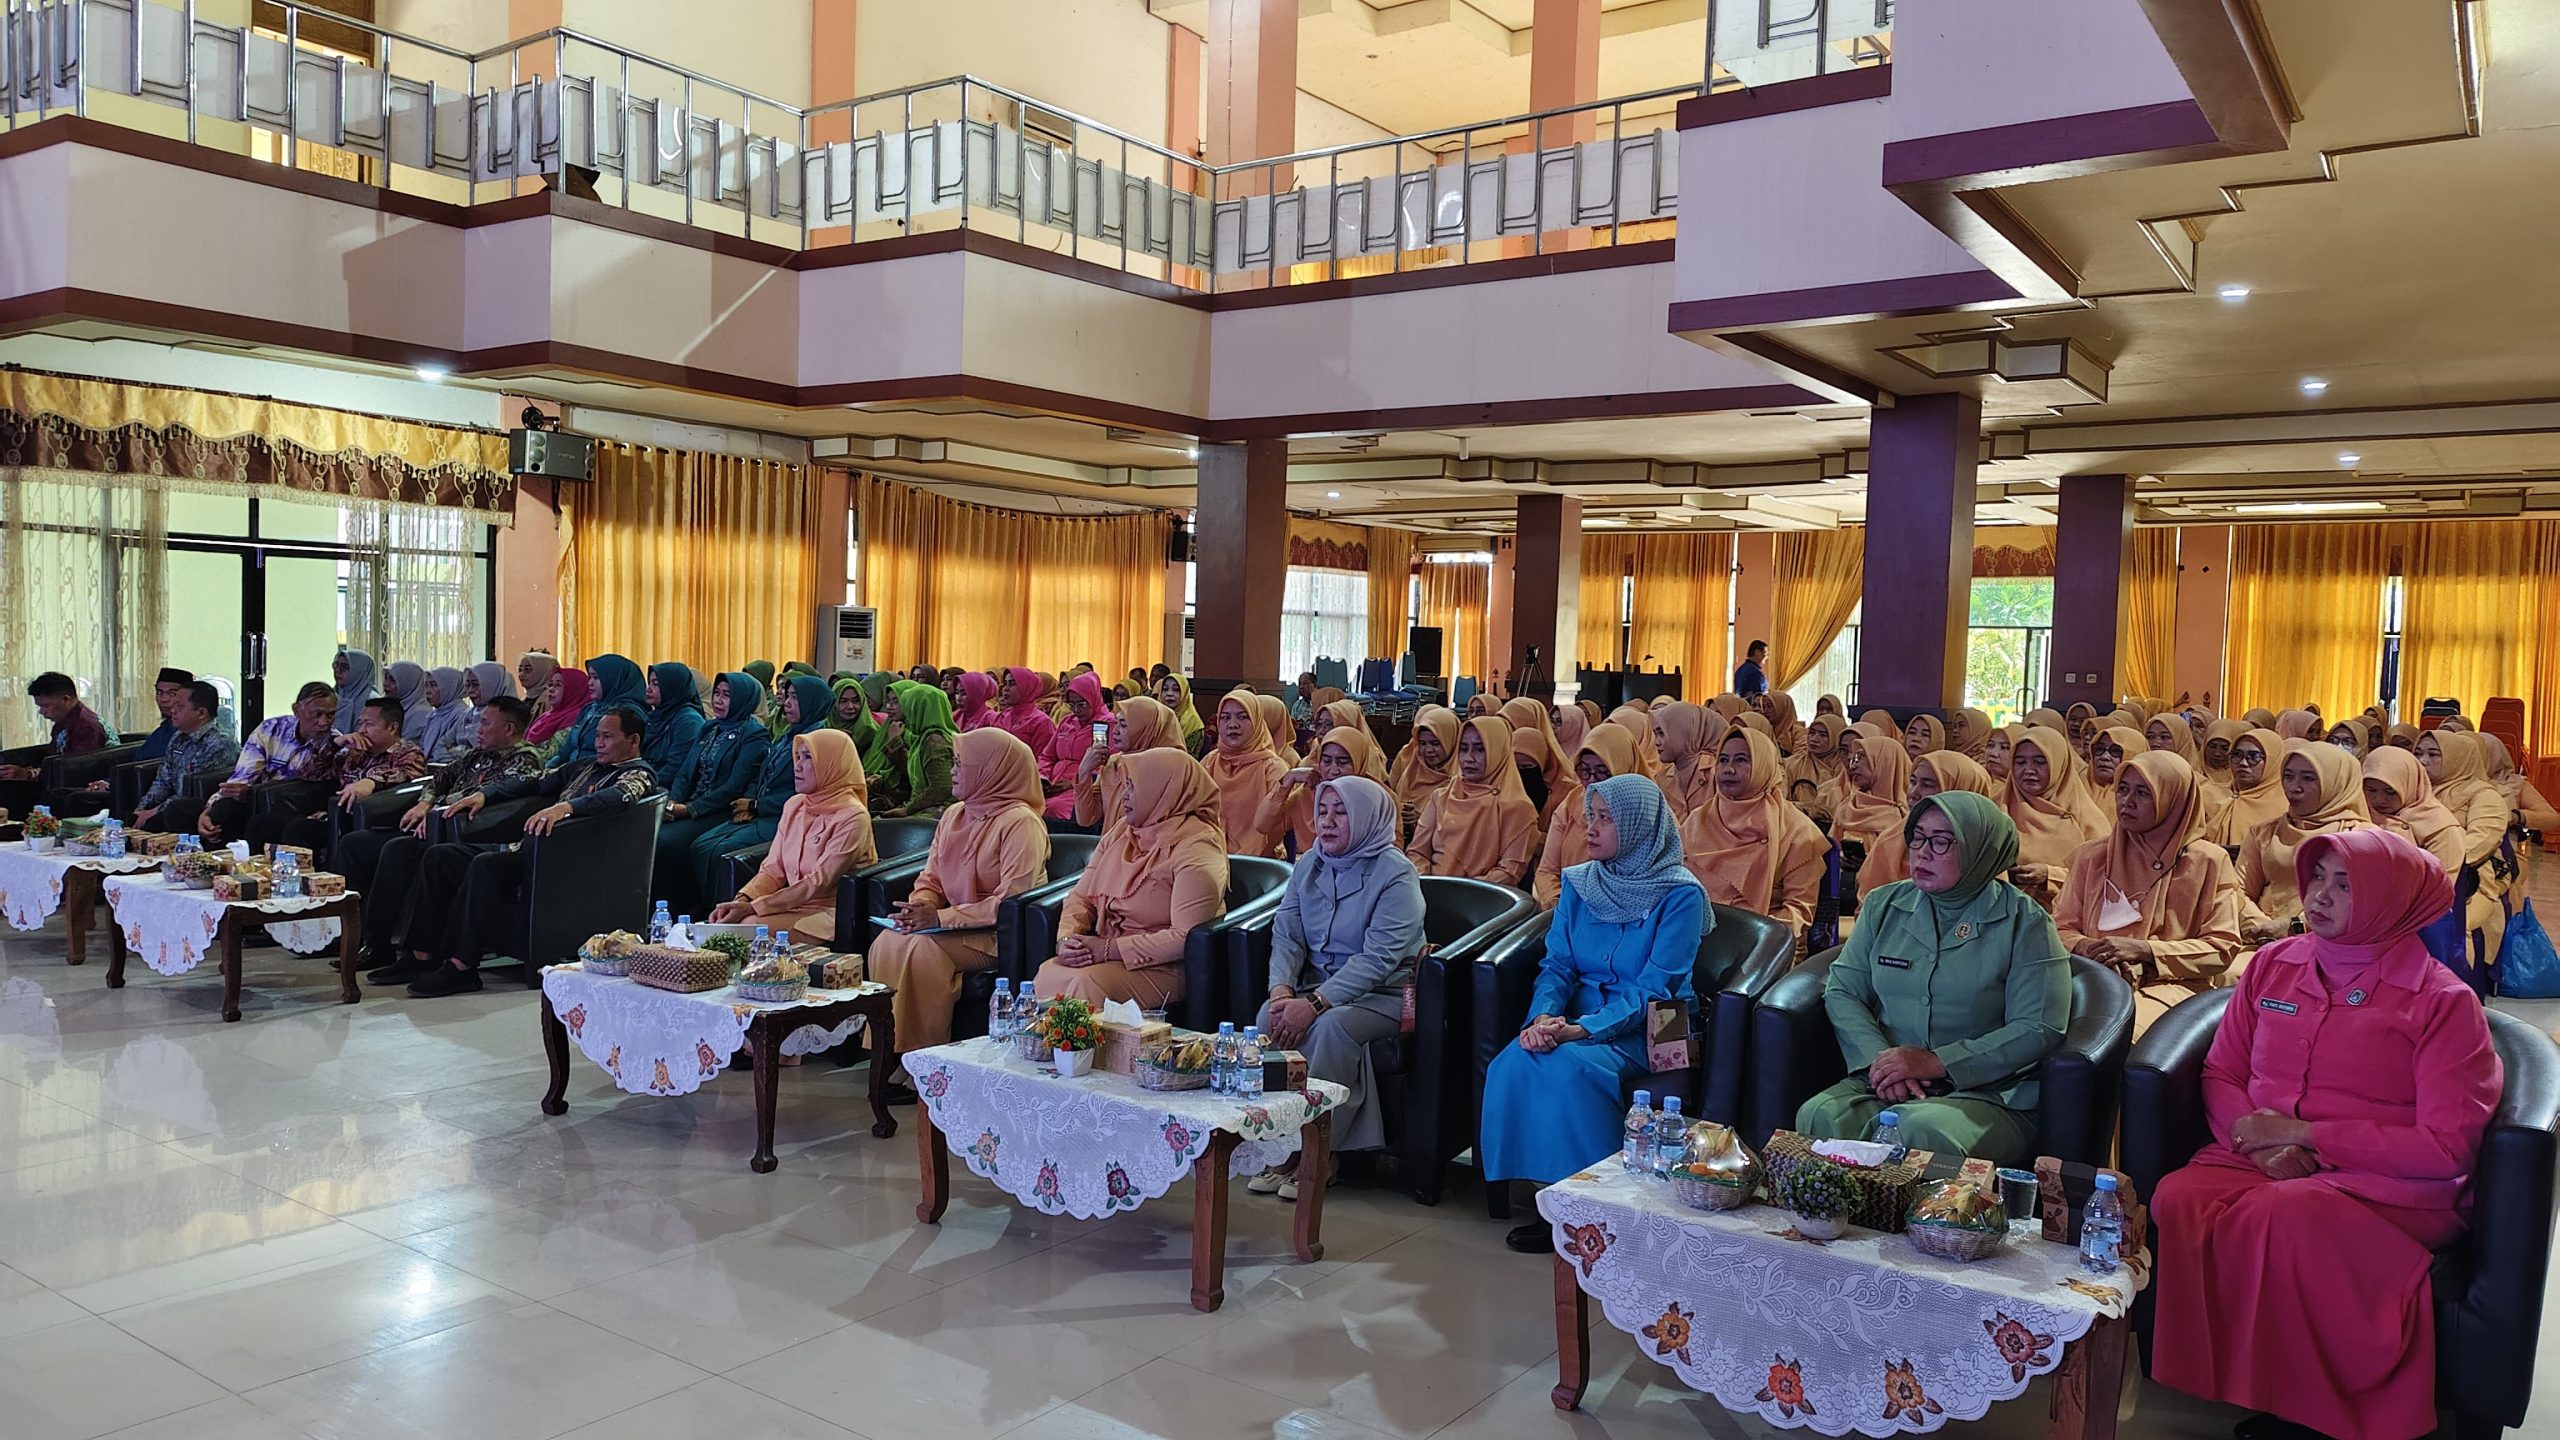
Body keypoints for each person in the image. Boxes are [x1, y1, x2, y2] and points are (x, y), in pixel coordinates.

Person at [2150, 828, 2502, 1440]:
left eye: (2345, 885)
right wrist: (2260, 1145)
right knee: (2178, 1197)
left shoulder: (2442, 1002)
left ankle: (2329, 1415)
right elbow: (2222, 1072)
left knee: (2285, 1215)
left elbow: (2447, 1148)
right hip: (2265, 1154)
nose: (2319, 895)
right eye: (2317, 877)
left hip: (2395, 1182)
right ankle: (2254, 1383)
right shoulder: (2273, 965)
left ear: (2390, 901)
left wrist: (2308, 1135)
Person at [1480, 774, 1707, 1251]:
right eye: (1590, 816)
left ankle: (1597, 1210)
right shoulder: (1580, 883)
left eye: (1606, 819)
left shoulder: (1680, 895)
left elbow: (1656, 988)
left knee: (1569, 1068)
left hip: (1651, 1027)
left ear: (1639, 825)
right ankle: (1552, 1200)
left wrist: (1581, 1030)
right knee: (1516, 1059)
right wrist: (1543, 1019)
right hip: (1574, 1020)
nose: (1591, 828)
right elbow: (1557, 966)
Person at [1797, 792, 2071, 1166]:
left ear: (1981, 850)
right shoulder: (1884, 905)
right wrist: (1883, 1064)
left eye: (1942, 841)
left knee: (1920, 1130)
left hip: (1987, 1094)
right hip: (1886, 1084)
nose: (1923, 853)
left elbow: (2039, 1027)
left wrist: (1938, 1062)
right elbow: (1844, 990)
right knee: (1821, 1115)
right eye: (1918, 838)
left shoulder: (2026, 923)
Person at [399, 704, 656, 997]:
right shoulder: (585, 766)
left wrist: (566, 807)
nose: (599, 743)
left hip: (567, 862)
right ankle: (423, 955)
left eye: (607, 737)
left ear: (633, 740)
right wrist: (485, 794)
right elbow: (533, 781)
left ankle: (461, 967)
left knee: (486, 865)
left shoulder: (638, 774)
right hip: (530, 850)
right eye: (597, 735)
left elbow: (619, 797)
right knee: (441, 857)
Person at [1250, 775, 1425, 1200]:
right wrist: (1281, 991)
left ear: (1366, 817)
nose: (1327, 822)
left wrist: (1315, 1003)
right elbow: (1287, 934)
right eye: (1322, 811)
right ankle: (1281, 1146)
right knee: (1266, 1017)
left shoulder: (1396, 874)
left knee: (1332, 1028)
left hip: (1386, 994)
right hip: (1317, 986)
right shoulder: (1310, 863)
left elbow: (1378, 959)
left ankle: (1321, 1153)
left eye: (1341, 812)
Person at [868, 729, 1051, 1076]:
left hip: (993, 935)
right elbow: (931, 878)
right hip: (946, 926)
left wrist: (940, 917)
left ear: (989, 769)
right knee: (890, 939)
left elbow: (1010, 901)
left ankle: (925, 1058)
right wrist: (919, 907)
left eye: (960, 764)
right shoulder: (955, 815)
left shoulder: (1021, 823)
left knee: (920, 951)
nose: (952, 771)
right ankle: (890, 1047)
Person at [346, 697, 542, 979]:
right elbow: (439, 779)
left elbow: (492, 795)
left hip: (473, 833)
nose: (478, 729)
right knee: (394, 849)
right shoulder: (477, 755)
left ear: (509, 728)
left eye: (485, 723)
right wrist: (425, 803)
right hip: (441, 826)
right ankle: (377, 944)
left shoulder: (524, 760)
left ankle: (422, 955)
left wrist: (438, 812)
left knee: (422, 854)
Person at [2053, 751, 2243, 1031]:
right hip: (2093, 975)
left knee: (2119, 1033)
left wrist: (2146, 952)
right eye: (2123, 790)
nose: (2127, 802)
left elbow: (2221, 947)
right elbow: (2059, 928)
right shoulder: (2093, 856)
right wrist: (2094, 951)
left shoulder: (2208, 861)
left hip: (2170, 983)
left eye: (2143, 793)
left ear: (2173, 800)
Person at [1033, 748, 1229, 1011]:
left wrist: (1107, 949)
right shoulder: (1122, 831)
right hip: (1106, 953)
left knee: (1085, 983)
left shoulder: (1198, 847)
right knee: (1049, 972)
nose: (1124, 795)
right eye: (1125, 785)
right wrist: (1068, 940)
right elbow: (1081, 896)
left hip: (1165, 966)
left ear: (1163, 791)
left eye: (1133, 787)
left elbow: (1185, 937)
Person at [708, 728, 877, 943]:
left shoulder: (853, 817)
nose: (797, 765)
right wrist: (742, 899)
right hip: (788, 905)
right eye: (797, 756)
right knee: (726, 925)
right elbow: (773, 868)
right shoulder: (795, 805)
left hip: (828, 913)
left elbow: (818, 882)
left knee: (745, 928)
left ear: (832, 765)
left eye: (808, 757)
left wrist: (754, 907)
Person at [681, 674, 834, 901]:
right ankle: (705, 906)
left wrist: (757, 805)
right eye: (787, 696)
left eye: (795, 698)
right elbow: (760, 775)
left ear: (813, 702)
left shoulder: (820, 742)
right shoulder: (787, 736)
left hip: (789, 818)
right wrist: (748, 803)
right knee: (701, 845)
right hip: (761, 813)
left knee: (721, 851)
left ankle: (722, 908)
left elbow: (806, 794)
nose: (787, 703)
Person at [242, 695, 430, 858]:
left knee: (300, 829)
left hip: (362, 821)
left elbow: (406, 775)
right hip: (329, 815)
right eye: (360, 723)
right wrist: (335, 744)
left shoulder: (409, 754)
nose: (362, 730)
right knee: (260, 823)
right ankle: (255, 878)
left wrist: (372, 782)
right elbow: (309, 773)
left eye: (369, 724)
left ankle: (296, 884)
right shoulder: (356, 752)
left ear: (392, 728)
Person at [154, 681, 341, 845]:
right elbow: (242, 776)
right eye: (317, 714)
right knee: (183, 809)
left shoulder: (335, 744)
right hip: (253, 802)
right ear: (296, 710)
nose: (324, 722)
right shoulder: (271, 729)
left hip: (292, 810)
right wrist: (208, 809)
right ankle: (202, 865)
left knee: (255, 821)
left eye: (330, 715)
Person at [1680, 727, 1826, 933]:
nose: (1729, 769)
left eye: (1741, 760)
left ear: (1762, 766)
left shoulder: (1796, 830)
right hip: (1694, 933)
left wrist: (1752, 936)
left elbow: (1798, 912)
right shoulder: (1697, 822)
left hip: (1761, 940)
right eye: (1723, 760)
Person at [650, 671, 772, 915]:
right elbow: (685, 772)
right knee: (650, 833)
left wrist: (690, 810)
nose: (718, 700)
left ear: (742, 699)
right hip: (690, 804)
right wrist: (674, 801)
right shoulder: (709, 728)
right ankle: (652, 906)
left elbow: (734, 786)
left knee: (666, 841)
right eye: (717, 693)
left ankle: (682, 907)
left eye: (727, 695)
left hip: (721, 809)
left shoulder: (754, 734)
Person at [2237, 739, 2368, 948]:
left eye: (2308, 778)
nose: (2294, 788)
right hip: (2262, 939)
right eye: (2288, 776)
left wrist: (2296, 926)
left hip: (2333, 943)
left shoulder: (2361, 837)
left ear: (2336, 782)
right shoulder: (2264, 832)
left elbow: (2363, 903)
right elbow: (2238, 890)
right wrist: (2262, 926)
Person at [1405, 715, 1540, 887]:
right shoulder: (1441, 797)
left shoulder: (1518, 808)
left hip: (1483, 898)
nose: (1468, 758)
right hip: (1430, 891)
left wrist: (1461, 891)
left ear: (1498, 752)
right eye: (1463, 749)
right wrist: (1426, 884)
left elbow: (1509, 872)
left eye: (1480, 749)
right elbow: (1417, 852)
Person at [2421, 729, 2515, 964]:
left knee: (2450, 926)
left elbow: (2479, 843)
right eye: (2418, 753)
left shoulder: (2484, 795)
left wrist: (2431, 860)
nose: (2423, 761)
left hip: (2471, 881)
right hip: (2418, 876)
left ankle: (2459, 979)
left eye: (2434, 754)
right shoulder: (2416, 790)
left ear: (2457, 758)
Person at [2003, 725, 2113, 910]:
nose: (2029, 770)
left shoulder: (2086, 818)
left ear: (2059, 764)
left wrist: (2050, 876)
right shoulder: (1997, 809)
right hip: (2004, 916)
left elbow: (2104, 877)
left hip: (2066, 918)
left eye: (2040, 762)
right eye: (2020, 762)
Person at [1534, 727, 1636, 908]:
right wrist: (1559, 904)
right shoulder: (1571, 804)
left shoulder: (1645, 809)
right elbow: (1546, 871)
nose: (1592, 780)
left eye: (1602, 771)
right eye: (1585, 771)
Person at [0, 672, 116, 816]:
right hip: (59, 777)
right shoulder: (64, 722)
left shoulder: (86, 726)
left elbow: (76, 768)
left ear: (66, 700)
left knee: (10, 793)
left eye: (45, 706)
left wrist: (27, 774)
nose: (41, 712)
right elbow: (53, 756)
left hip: (85, 782)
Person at [1256, 726, 1383, 856]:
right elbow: (1262, 825)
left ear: (1359, 762)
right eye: (1326, 761)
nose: (1333, 770)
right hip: (1316, 866)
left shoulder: (1377, 799)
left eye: (1342, 762)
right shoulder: (1309, 793)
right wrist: (1288, 780)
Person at [130, 682, 240, 832]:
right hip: (173, 803)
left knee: (171, 813)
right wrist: (142, 809)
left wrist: (153, 812)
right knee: (127, 818)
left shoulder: (219, 743)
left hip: (200, 807)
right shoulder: (178, 736)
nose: (172, 710)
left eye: (179, 706)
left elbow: (190, 791)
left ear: (201, 713)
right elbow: (163, 780)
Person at [1071, 694, 1183, 830]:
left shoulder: (1169, 770)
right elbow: (1086, 818)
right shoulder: (1114, 764)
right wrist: (1084, 772)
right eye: (1116, 723)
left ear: (1145, 729)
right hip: (1114, 841)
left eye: (1123, 725)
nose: (1115, 731)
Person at [1826, 731, 1913, 902]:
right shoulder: (1847, 807)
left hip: (1885, 900)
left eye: (1862, 757)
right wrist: (1839, 859)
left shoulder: (1904, 816)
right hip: (1841, 894)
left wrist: (1870, 865)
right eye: (1855, 758)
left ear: (1884, 763)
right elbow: (1827, 852)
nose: (1853, 765)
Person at [1204, 688, 1289, 857]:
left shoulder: (1272, 767)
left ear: (1257, 722)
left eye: (1242, 717)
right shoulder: (1210, 762)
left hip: (1260, 861)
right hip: (1211, 857)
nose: (1233, 724)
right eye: (1225, 717)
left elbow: (1276, 827)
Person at [2362, 746, 2463, 878]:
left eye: (2390, 792)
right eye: (2371, 790)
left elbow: (2442, 881)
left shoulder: (2440, 826)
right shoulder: (2361, 813)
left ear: (2411, 784)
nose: (2380, 799)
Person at [872, 679, 958, 818]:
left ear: (918, 709)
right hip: (925, 806)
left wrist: (907, 810)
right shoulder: (924, 737)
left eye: (907, 708)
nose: (905, 713)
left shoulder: (934, 742)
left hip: (938, 813)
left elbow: (941, 789)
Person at [1038, 672, 1111, 822]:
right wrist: (1043, 778)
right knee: (1028, 803)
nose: (1076, 710)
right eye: (1071, 704)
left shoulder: (1106, 724)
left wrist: (1072, 782)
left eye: (1081, 704)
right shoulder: (1067, 722)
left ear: (1093, 698)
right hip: (1054, 783)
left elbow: (1104, 766)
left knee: (1051, 808)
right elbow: (1047, 756)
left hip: (1084, 787)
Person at [552, 655, 646, 770]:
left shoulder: (628, 713)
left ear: (613, 680)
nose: (590, 683)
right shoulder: (590, 708)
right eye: (590, 677)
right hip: (574, 772)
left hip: (600, 774)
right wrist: (553, 768)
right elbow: (569, 747)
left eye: (596, 678)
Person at [1386, 704, 1458, 841]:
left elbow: (1460, 830)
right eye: (1422, 743)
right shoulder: (1412, 769)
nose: (1428, 750)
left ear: (1451, 741)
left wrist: (1424, 821)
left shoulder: (1462, 778)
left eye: (1436, 743)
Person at [640, 662, 710, 781]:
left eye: (656, 684)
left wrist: (642, 783)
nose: (648, 689)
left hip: (666, 786)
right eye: (649, 683)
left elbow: (676, 769)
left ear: (672, 686)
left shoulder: (689, 722)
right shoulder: (655, 716)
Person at [1647, 701, 1716, 821]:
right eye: (1655, 734)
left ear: (1683, 732)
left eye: (1662, 734)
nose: (1657, 742)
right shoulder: (1661, 778)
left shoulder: (1715, 773)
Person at [526, 666, 593, 764]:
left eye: (558, 685)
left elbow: (553, 754)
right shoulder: (547, 715)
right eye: (550, 685)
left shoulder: (575, 717)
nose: (551, 689)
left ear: (574, 689)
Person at [991, 667, 1058, 757]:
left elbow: (1043, 758)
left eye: (1012, 684)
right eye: (1005, 684)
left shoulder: (1041, 722)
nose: (1006, 689)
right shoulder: (1001, 717)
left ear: (1027, 687)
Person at [415, 667, 475, 765]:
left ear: (450, 687)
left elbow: (451, 750)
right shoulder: (434, 715)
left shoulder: (461, 714)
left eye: (434, 685)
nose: (427, 691)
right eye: (426, 685)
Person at [1155, 673, 1209, 757]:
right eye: (1165, 689)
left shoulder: (1192, 721)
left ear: (1184, 693)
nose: (1169, 693)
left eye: (1176, 690)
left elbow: (1189, 757)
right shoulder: (1155, 717)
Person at [381, 662, 432, 747]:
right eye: (385, 678)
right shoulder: (396, 706)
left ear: (409, 684)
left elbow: (400, 747)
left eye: (392, 680)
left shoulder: (420, 714)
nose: (386, 683)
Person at [330, 649, 381, 733]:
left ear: (359, 671)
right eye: (336, 665)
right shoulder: (332, 695)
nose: (338, 670)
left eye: (345, 667)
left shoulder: (372, 702)